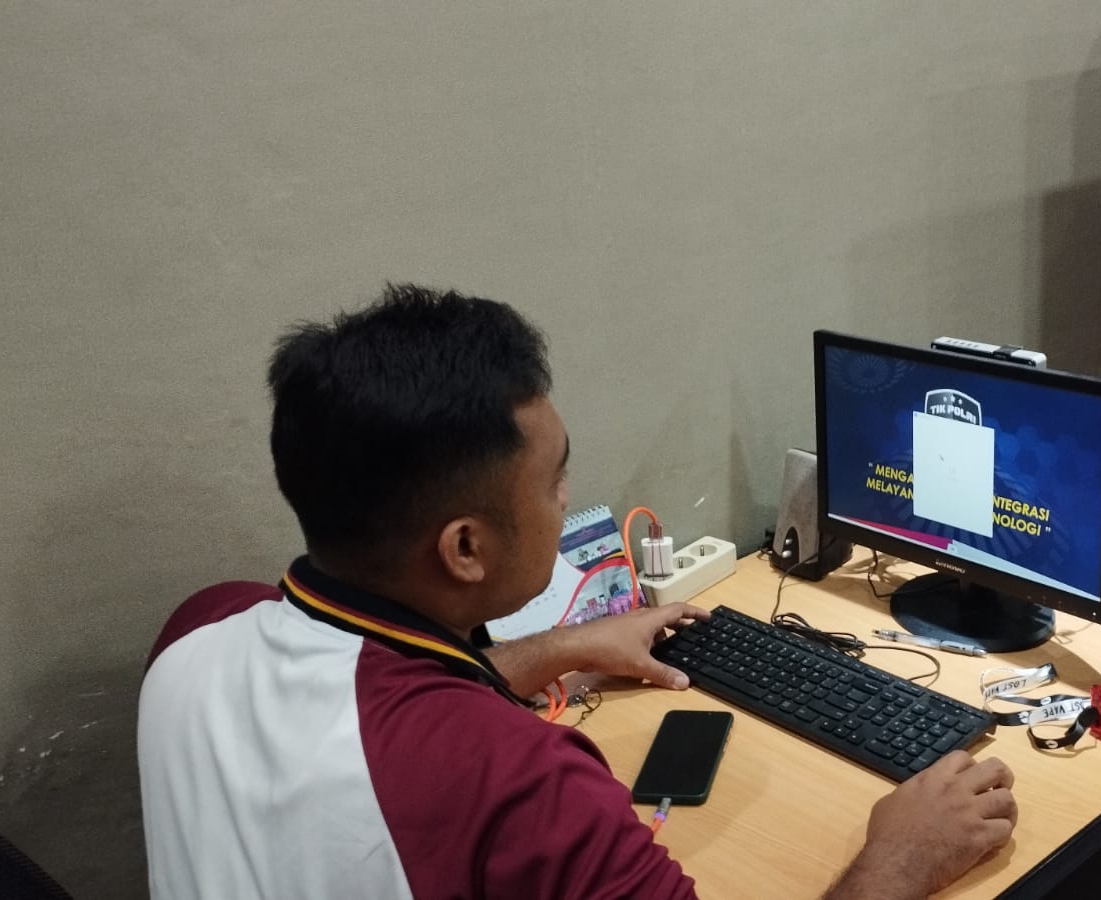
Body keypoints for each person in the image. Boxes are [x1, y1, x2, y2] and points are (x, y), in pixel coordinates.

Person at [137, 284, 1018, 899]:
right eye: (554, 479)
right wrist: (899, 859)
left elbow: (361, 698)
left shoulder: (198, 630)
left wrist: (554, 650)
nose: (566, 501)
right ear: (466, 548)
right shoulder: (523, 786)